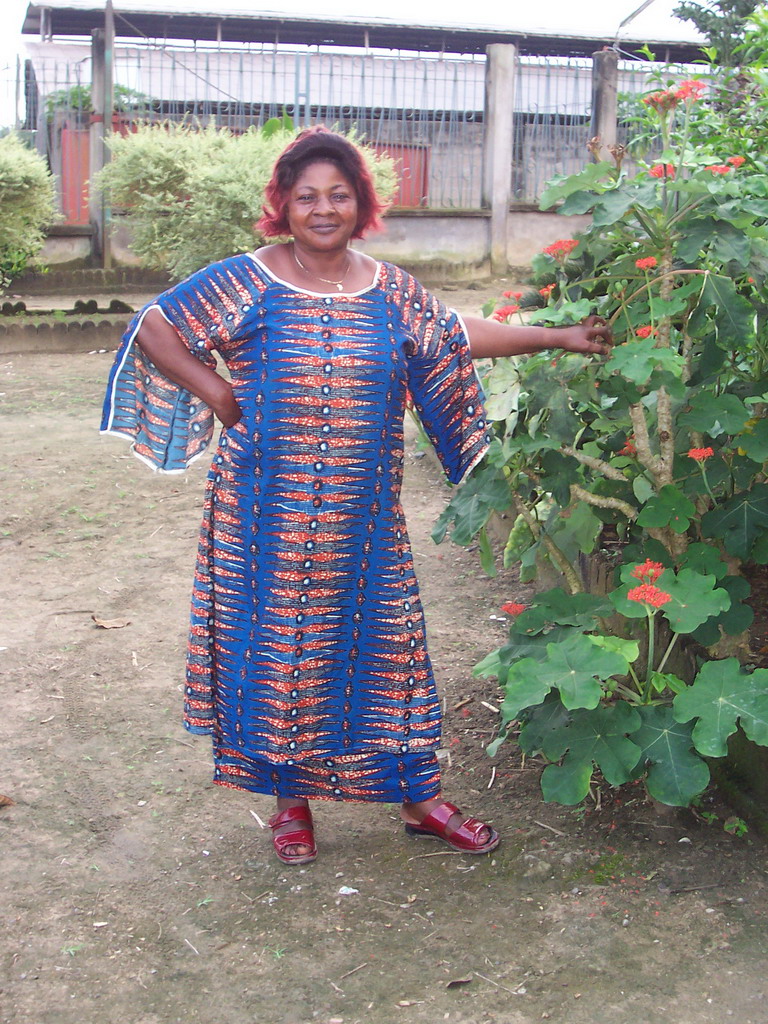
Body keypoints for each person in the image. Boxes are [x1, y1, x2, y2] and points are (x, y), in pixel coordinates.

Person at [102, 127, 610, 866]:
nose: (323, 208)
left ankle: (420, 798)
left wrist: (555, 336)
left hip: (364, 519)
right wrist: (216, 392)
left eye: (338, 194)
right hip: (262, 515)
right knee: (283, 656)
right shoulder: (248, 279)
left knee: (390, 646)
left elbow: (452, 335)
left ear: (360, 203)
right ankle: (291, 805)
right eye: (306, 196)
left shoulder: (389, 287)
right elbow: (156, 324)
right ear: (284, 205)